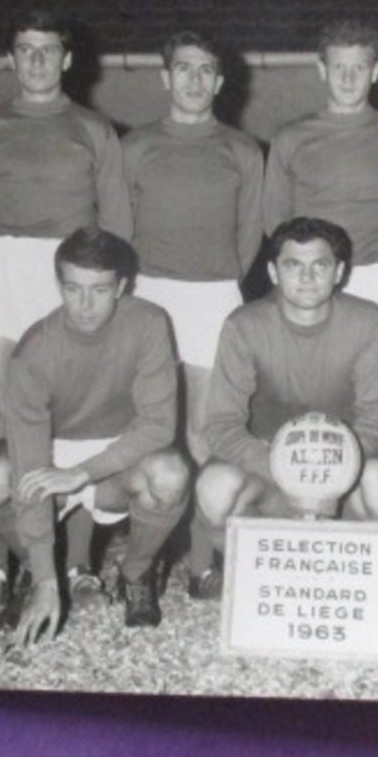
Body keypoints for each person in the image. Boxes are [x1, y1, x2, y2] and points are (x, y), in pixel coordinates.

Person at [0, 11, 132, 610]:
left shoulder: (94, 128)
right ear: (10, 57)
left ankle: (77, 565)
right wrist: (18, 262)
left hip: (77, 274)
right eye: (24, 49)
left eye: (48, 50)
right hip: (6, 269)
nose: (36, 61)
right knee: (5, 422)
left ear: (67, 58)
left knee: (73, 420)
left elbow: (117, 223)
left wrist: (80, 277)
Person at [0, 229, 188, 643]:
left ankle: (137, 572)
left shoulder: (149, 323)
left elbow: (159, 424)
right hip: (53, 448)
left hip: (119, 454)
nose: (85, 305)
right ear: (59, 286)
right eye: (73, 288)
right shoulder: (35, 349)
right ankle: (35, 574)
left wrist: (83, 473)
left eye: (100, 290)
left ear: (121, 286)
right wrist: (48, 583)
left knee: (170, 474)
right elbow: (31, 461)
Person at [188, 218, 378, 599]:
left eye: (319, 265)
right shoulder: (245, 324)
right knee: (215, 486)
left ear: (339, 272)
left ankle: (351, 583)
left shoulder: (370, 322)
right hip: (269, 465)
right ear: (273, 271)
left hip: (345, 468)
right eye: (293, 265)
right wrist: (284, 465)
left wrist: (328, 465)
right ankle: (265, 582)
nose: (307, 277)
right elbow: (221, 424)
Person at [121, 31, 264, 464]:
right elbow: (118, 226)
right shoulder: (134, 146)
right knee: (146, 426)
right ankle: (144, 527)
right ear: (166, 78)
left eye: (206, 71)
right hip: (148, 292)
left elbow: (250, 231)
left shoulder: (242, 149)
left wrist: (217, 278)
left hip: (214, 293)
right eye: (184, 69)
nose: (195, 80)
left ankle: (208, 530)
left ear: (219, 82)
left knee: (206, 429)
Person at [264, 21, 378, 360]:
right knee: (313, 378)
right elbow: (275, 217)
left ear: (375, 71)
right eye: (338, 68)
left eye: (358, 68)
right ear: (322, 69)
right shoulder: (291, 136)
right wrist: (309, 268)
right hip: (311, 276)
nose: (348, 79)